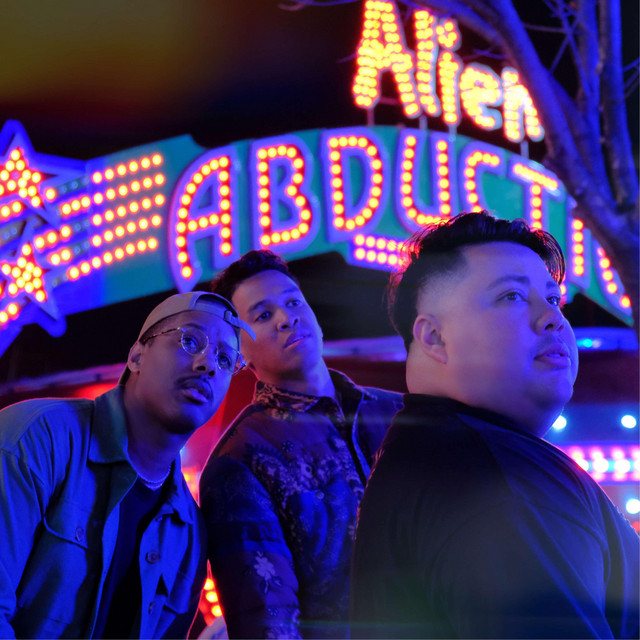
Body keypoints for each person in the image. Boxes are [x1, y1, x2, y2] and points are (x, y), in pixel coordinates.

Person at [350, 211, 639, 638]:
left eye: (554, 299)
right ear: (434, 338)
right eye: (512, 296)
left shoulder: (435, 456)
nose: (553, 318)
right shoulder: (499, 479)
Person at [0, 291, 254, 639]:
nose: (208, 364)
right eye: (190, 341)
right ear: (137, 356)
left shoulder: (189, 533)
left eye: (225, 360)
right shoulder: (37, 438)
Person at [199, 250, 402, 638]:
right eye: (263, 315)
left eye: (293, 302)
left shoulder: (399, 412)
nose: (286, 318)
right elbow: (267, 622)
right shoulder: (240, 460)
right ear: (240, 351)